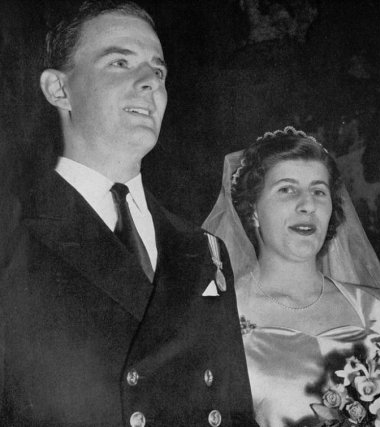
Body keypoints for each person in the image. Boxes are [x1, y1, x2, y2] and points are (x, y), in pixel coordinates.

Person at [0, 1, 258, 426]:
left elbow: (234, 414)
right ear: (59, 89)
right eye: (120, 62)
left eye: (158, 71)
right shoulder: (13, 228)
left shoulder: (204, 249)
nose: (150, 82)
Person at [203, 126, 380, 427]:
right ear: (253, 208)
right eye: (287, 189)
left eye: (319, 191)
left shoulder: (376, 309)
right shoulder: (217, 312)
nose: (308, 205)